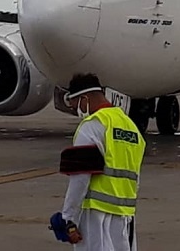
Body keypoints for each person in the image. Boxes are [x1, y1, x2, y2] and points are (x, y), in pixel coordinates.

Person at [50, 73, 146, 250]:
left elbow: (81, 177)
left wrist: (68, 219)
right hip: (125, 215)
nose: (76, 111)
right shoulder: (131, 128)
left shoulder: (92, 126)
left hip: (95, 215)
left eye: (75, 105)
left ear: (84, 99)